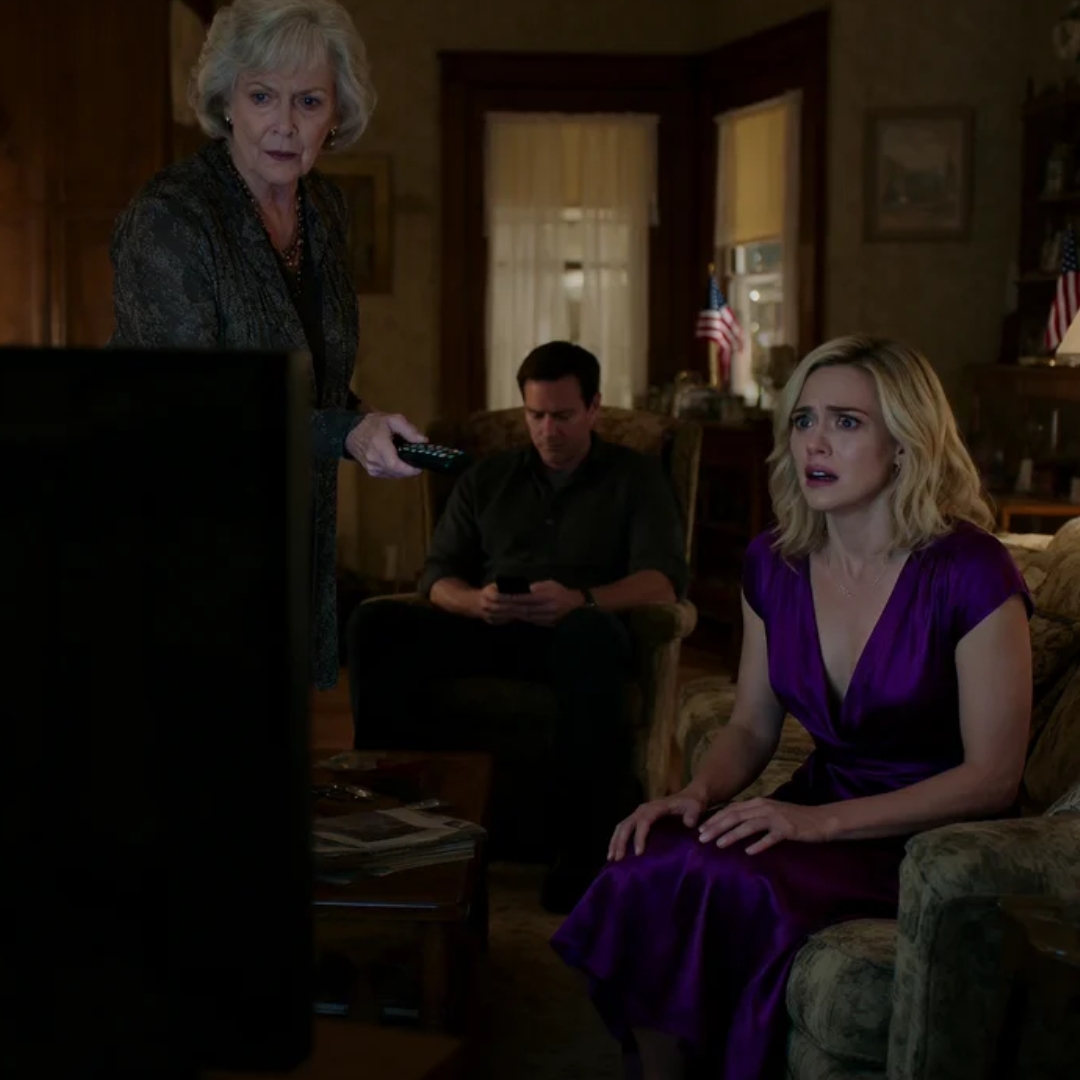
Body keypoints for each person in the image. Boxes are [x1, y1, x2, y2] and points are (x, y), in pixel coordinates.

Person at [551, 336, 1033, 1080]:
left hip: (928, 839)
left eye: (847, 422)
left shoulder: (971, 569)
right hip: (818, 803)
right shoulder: (774, 561)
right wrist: (694, 793)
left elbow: (993, 778)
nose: (815, 441)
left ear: (906, 442)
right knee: (648, 858)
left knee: (740, 884)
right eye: (804, 419)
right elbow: (751, 724)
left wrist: (818, 823)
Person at [108, 0, 424, 690]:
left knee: (273, 736)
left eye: (309, 101)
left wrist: (369, 427)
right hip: (176, 534)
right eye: (261, 97)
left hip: (290, 532)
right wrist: (343, 433)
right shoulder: (170, 218)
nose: (285, 123)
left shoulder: (325, 210)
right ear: (226, 101)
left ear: (335, 113)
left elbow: (308, 379)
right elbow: (195, 406)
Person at [347, 341, 689, 912]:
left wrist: (582, 600)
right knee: (374, 623)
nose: (548, 430)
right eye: (536, 415)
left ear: (594, 408)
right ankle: (394, 831)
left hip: (580, 633)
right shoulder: (488, 477)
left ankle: (581, 861)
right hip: (492, 627)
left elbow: (663, 581)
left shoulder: (636, 478)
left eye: (563, 415)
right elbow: (437, 575)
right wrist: (472, 601)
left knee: (590, 639)